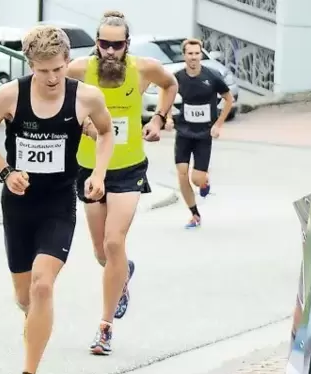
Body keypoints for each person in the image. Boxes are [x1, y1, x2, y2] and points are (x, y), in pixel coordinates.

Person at [0, 25, 114, 374]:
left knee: (42, 286)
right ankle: (33, 322)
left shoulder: (86, 96)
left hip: (58, 202)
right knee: (24, 296)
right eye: (43, 70)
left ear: (68, 62)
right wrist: (6, 172)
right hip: (18, 203)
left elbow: (106, 133)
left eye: (58, 69)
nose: (52, 78)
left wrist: (98, 173)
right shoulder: (10, 95)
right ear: (30, 65)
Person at [67, 10, 178, 355]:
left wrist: (158, 119)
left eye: (117, 45)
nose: (110, 51)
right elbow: (55, 98)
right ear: (96, 44)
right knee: (102, 252)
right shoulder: (78, 71)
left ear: (127, 44)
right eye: (104, 44)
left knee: (114, 242)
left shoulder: (142, 69)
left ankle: (104, 328)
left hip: (129, 169)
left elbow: (170, 84)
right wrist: (76, 123)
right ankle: (123, 275)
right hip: (88, 168)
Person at [163, 38, 234, 228]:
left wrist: (218, 124)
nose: (193, 57)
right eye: (190, 54)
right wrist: (167, 117)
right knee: (182, 173)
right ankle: (194, 214)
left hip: (204, 134)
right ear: (184, 55)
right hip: (184, 132)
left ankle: (204, 182)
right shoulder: (176, 78)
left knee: (196, 179)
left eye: (196, 53)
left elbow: (229, 99)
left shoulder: (211, 76)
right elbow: (166, 95)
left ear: (201, 55)